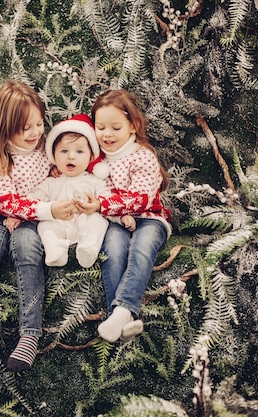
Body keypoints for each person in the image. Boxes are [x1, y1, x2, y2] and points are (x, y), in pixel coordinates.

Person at [0, 79, 77, 378]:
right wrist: (36, 209)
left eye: (38, 124)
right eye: (24, 127)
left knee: (28, 249)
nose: (34, 133)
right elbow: (3, 200)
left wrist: (46, 197)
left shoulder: (47, 147)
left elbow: (61, 172)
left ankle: (30, 334)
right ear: (5, 126)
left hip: (34, 218)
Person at [77, 89, 171, 343]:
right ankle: (121, 323)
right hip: (116, 220)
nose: (107, 134)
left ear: (133, 126)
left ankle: (122, 309)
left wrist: (101, 205)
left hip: (150, 218)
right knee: (114, 249)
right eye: (101, 127)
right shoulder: (96, 158)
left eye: (115, 127)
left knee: (141, 248)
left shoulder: (142, 156)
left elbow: (140, 199)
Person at [23, 113, 135, 268]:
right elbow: (31, 200)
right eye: (63, 151)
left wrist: (122, 217)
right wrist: (44, 210)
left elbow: (109, 202)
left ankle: (89, 248)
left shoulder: (95, 182)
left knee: (97, 220)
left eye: (79, 152)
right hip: (60, 225)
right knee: (45, 225)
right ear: (53, 156)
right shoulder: (50, 182)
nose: (71, 156)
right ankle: (55, 250)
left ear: (90, 157)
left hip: (85, 224)